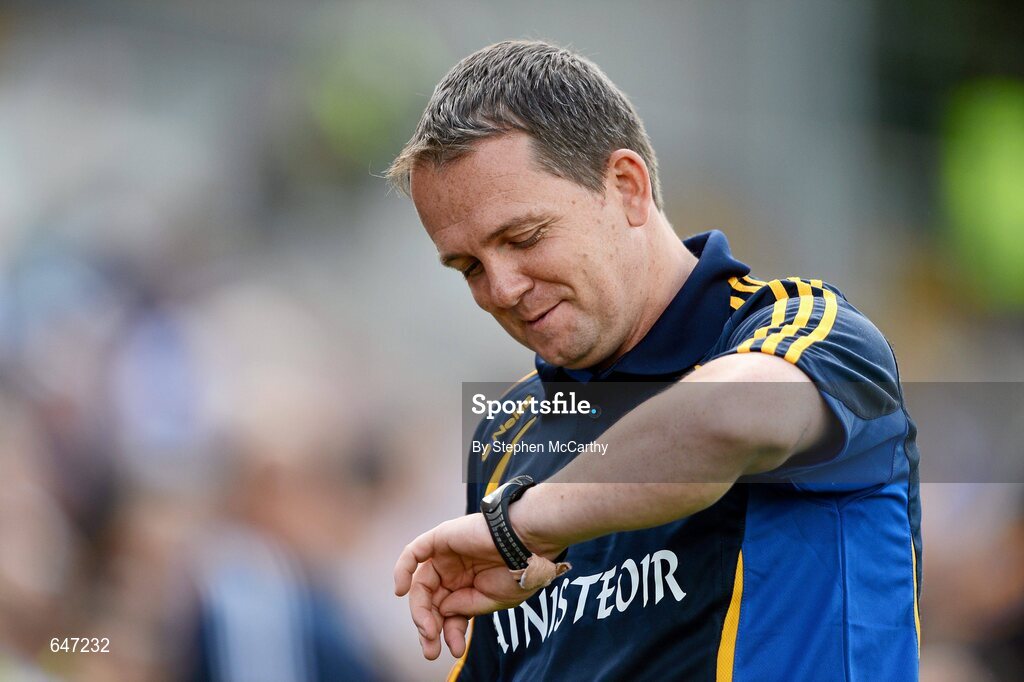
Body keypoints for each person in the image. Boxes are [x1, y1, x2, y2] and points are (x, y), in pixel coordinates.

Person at [388, 40, 921, 681]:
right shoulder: (508, 433)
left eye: (524, 237)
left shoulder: (811, 334)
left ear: (627, 187)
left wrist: (522, 526)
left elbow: (727, 420)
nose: (500, 289)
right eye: (469, 266)